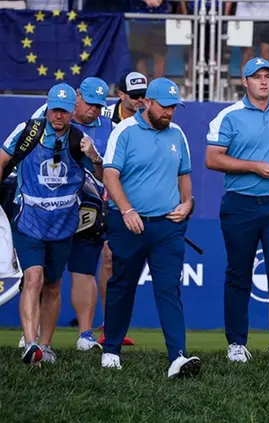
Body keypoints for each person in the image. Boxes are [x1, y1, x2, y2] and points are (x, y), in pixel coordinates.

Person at [206, 57, 269, 364]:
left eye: (267, 76)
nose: (263, 81)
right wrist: (254, 167)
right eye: (257, 77)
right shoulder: (229, 116)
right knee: (238, 273)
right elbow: (213, 158)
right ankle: (236, 343)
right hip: (240, 204)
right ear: (245, 81)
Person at [101, 77, 201, 378]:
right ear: (148, 102)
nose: (170, 112)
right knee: (122, 285)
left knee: (169, 288)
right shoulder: (125, 131)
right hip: (128, 223)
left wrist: (187, 203)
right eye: (165, 106)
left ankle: (178, 357)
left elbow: (184, 174)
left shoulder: (178, 134)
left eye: (174, 107)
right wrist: (127, 209)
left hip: (168, 226)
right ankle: (111, 349)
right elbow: (110, 175)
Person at [0, 83, 101, 365]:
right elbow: (2, 160)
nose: (58, 116)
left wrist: (94, 156)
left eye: (64, 111)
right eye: (54, 110)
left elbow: (104, 176)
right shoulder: (27, 131)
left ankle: (45, 346)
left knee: (53, 285)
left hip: (63, 225)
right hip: (29, 221)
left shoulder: (79, 140)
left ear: (72, 112)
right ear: (48, 107)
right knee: (33, 278)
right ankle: (30, 344)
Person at [28, 77, 112, 352]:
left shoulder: (109, 127)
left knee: (84, 269)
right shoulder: (45, 116)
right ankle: (33, 333)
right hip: (46, 209)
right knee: (42, 274)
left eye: (100, 106)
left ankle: (85, 335)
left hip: (89, 207)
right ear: (77, 96)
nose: (94, 110)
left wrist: (96, 157)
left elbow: (107, 172)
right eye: (89, 103)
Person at [97, 71, 148, 347]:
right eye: (135, 96)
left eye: (144, 96)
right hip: (93, 194)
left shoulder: (152, 117)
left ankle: (110, 326)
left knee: (114, 260)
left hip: (128, 200)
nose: (141, 101)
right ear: (121, 95)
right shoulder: (103, 117)